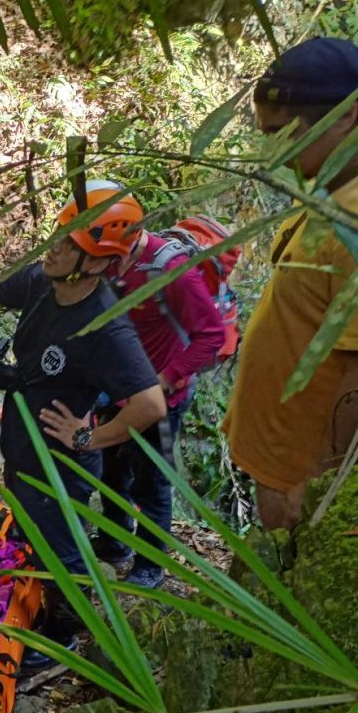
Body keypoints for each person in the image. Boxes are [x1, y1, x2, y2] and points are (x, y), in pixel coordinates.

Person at [0, 188, 166, 666]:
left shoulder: (106, 326)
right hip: (25, 439)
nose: (53, 246)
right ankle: (32, 592)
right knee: (32, 527)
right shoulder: (44, 281)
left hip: (61, 461)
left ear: (95, 263)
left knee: (59, 551)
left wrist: (86, 436)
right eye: (58, 235)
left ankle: (62, 637)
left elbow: (150, 404)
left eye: (68, 243)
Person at [223, 37, 358, 530]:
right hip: (281, 454)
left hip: (302, 477)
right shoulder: (341, 180)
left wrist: (320, 493)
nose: (273, 152)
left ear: (346, 117)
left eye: (283, 134)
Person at [90, 182, 227, 587]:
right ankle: (115, 544)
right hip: (115, 389)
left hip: (164, 397)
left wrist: (164, 381)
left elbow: (211, 335)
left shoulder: (172, 271)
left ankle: (151, 564)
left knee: (152, 480)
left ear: (127, 237)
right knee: (111, 471)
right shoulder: (108, 261)